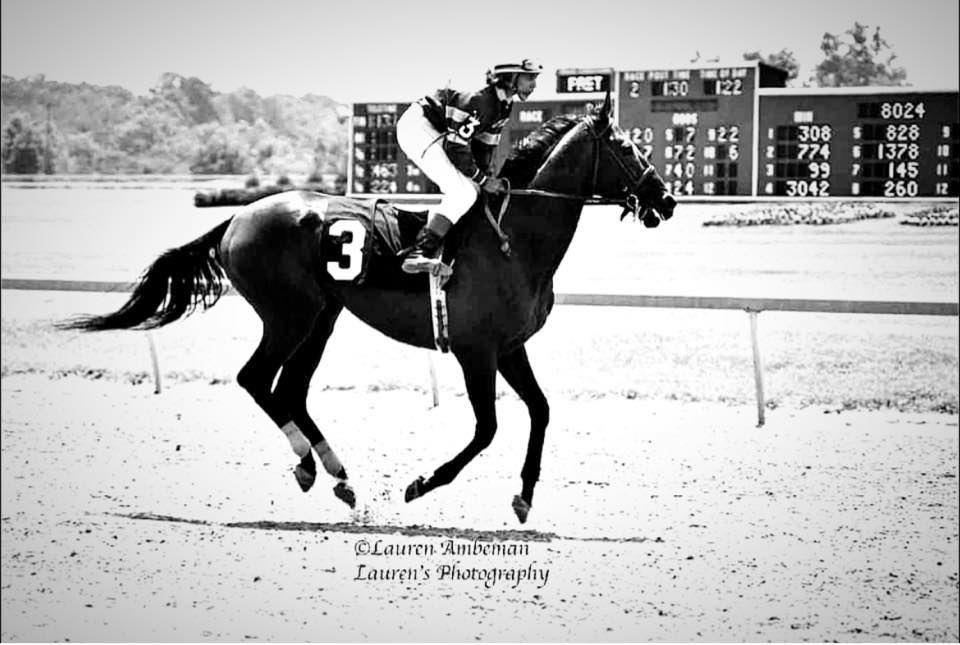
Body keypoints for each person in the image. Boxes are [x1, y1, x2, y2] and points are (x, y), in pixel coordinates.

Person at [396, 59, 542, 273]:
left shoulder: (504, 106)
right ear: (511, 78)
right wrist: (484, 180)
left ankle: (443, 245)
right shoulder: (483, 102)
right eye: (529, 78)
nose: (534, 84)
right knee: (462, 192)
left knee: (472, 190)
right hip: (418, 127)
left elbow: (484, 149)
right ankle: (419, 253)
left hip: (435, 130)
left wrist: (485, 179)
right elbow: (456, 148)